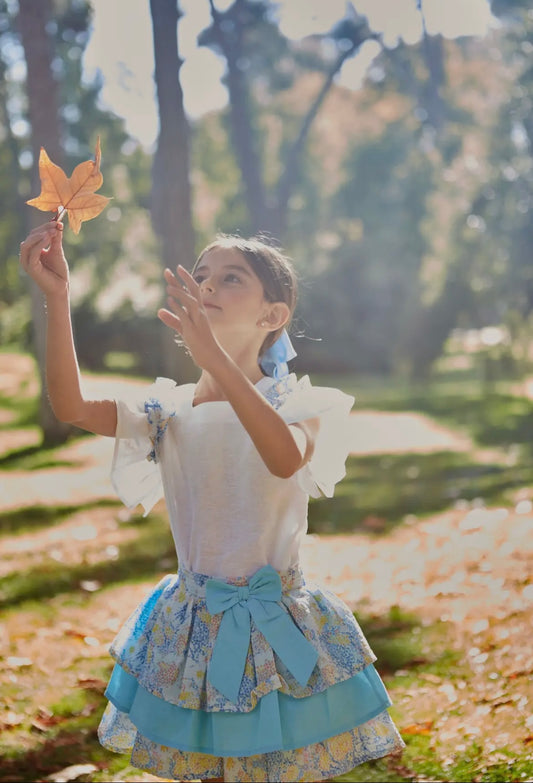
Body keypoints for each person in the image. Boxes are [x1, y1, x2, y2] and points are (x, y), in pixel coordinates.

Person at [19, 220, 405, 783]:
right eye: (200, 277)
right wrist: (58, 298)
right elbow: (72, 405)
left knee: (277, 764)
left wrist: (219, 361)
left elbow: (281, 457)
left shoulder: (301, 404)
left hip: (281, 622)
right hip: (193, 623)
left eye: (230, 279)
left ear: (272, 316)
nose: (208, 288)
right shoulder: (166, 412)